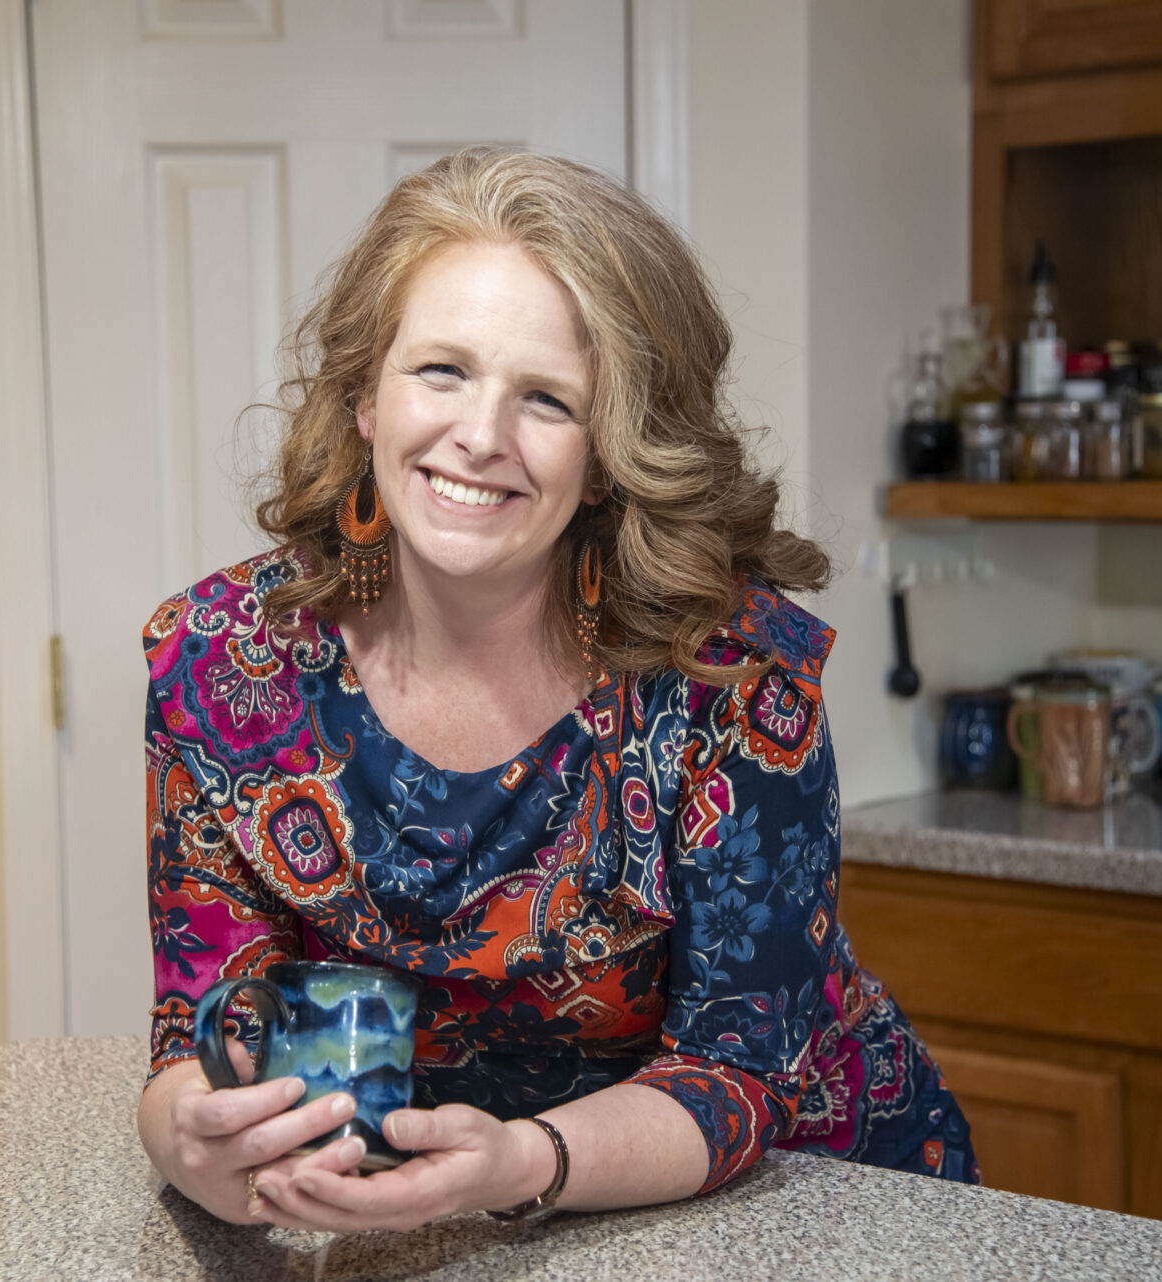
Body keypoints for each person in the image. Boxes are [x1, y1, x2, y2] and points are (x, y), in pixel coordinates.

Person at [136, 148, 977, 1232]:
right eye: (441, 370)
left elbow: (741, 1073)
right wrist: (193, 1141)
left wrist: (518, 1162)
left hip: (811, 1208)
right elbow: (198, 1028)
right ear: (361, 396)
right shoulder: (217, 662)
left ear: (612, 450)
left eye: (546, 398)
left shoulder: (725, 671)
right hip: (460, 1220)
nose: (479, 436)